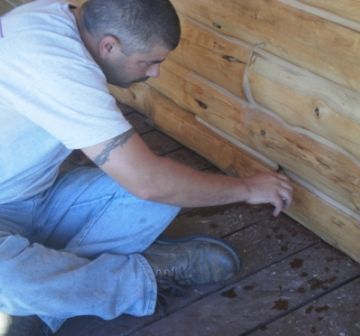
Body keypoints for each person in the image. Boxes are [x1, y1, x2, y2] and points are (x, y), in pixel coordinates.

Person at [0, 0, 293, 335]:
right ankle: (144, 278)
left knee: (163, 195)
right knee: (10, 284)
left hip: (29, 197)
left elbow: (153, 184)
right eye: (149, 62)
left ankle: (50, 291)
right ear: (109, 45)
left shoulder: (55, 15)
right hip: (15, 205)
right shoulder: (57, 65)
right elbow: (148, 180)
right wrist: (249, 188)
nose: (155, 73)